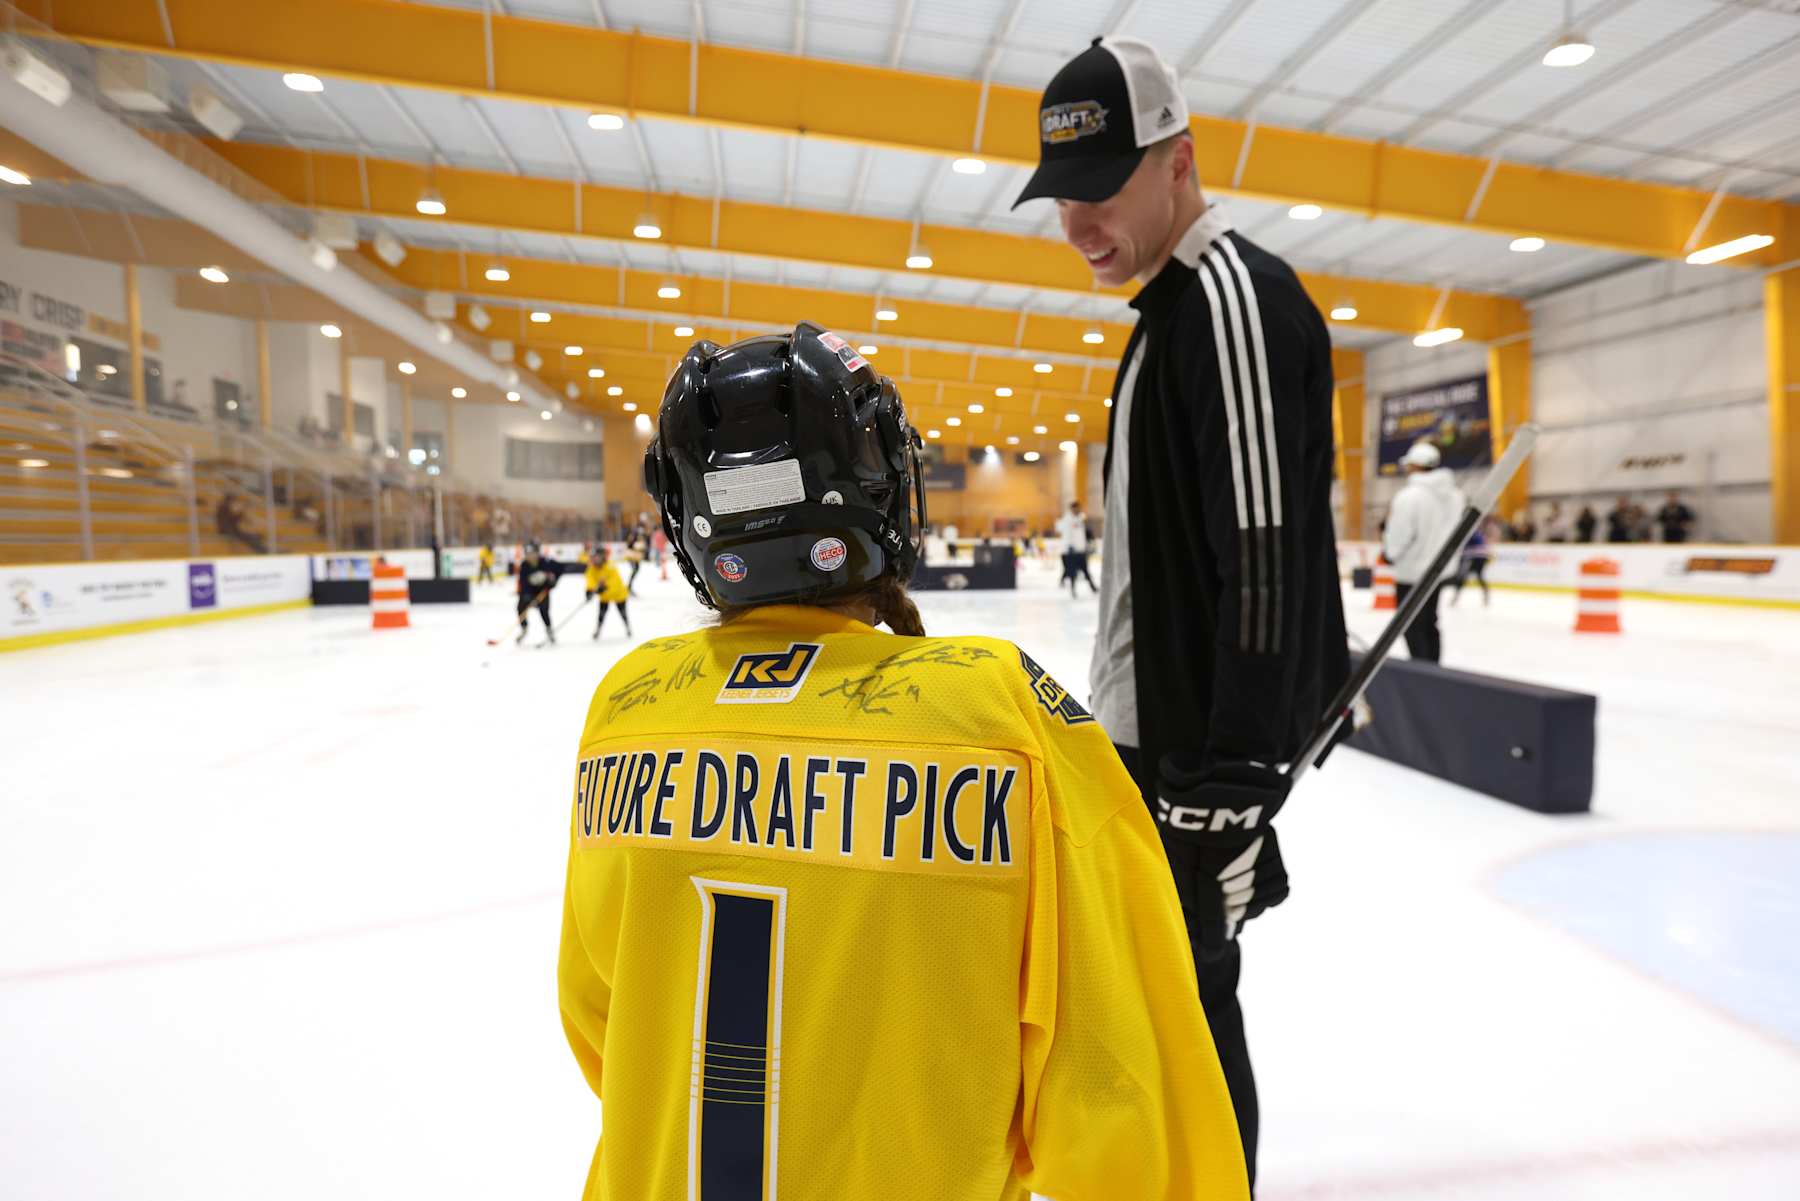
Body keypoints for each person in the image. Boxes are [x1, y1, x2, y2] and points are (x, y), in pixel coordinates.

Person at [560, 324, 1250, 1201]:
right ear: (880, 485)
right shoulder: (996, 709)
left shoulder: (628, 707)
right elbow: (1121, 1091)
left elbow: (604, 1028)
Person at [1016, 36, 1349, 1186]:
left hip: (1201, 764)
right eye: (1062, 196)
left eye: (1100, 187)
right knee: (1167, 1014)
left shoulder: (1232, 301)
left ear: (1179, 161)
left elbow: (1264, 554)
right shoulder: (1167, 314)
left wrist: (1234, 787)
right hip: (1155, 745)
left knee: (1197, 1019)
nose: (1078, 223)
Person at [1383, 441, 1466, 662]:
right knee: (1430, 622)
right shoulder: (1455, 496)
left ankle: (1421, 671)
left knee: (1411, 626)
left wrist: (1390, 553)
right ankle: (1432, 669)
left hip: (1410, 572)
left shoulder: (1409, 496)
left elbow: (1400, 533)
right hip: (1437, 571)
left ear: (1415, 465)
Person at [516, 541, 566, 644]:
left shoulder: (546, 562)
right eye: (527, 554)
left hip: (543, 592)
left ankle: (549, 630)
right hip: (528, 593)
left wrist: (553, 581)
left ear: (538, 553)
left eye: (532, 553)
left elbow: (560, 568)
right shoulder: (524, 565)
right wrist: (527, 596)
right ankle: (524, 628)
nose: (530, 556)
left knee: (544, 611)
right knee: (520, 608)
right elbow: (523, 582)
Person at [583, 544, 631, 639]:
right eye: (593, 557)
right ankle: (598, 629)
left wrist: (604, 588)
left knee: (622, 613)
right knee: (601, 614)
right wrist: (589, 590)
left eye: (596, 557)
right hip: (604, 596)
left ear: (602, 557)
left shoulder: (610, 566)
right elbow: (590, 580)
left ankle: (627, 627)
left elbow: (615, 583)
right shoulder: (592, 568)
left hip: (619, 594)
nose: (594, 559)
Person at [1450, 514, 1496, 606]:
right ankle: (1457, 596)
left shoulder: (1471, 533)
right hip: (1478, 556)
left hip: (1475, 556)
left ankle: (1456, 596)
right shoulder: (1474, 532)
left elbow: (1475, 544)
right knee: (1474, 576)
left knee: (1466, 576)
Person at [1055, 500, 1097, 595]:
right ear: (1072, 509)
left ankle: (1092, 587)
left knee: (1085, 570)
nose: (1078, 510)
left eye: (1079, 508)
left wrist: (1086, 545)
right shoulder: (1067, 520)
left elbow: (1082, 535)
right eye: (1075, 508)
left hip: (1080, 550)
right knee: (1072, 571)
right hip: (1071, 551)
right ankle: (1073, 589)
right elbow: (1066, 534)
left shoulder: (1080, 519)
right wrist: (1070, 546)